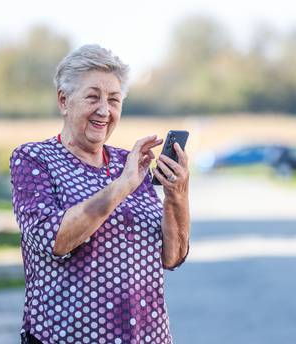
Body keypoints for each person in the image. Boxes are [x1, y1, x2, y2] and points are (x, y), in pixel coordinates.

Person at [10, 44, 190, 344]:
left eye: (114, 100)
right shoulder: (34, 159)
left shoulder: (129, 162)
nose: (104, 111)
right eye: (93, 97)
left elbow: (173, 257)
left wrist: (177, 195)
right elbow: (55, 240)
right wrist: (122, 186)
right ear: (63, 100)